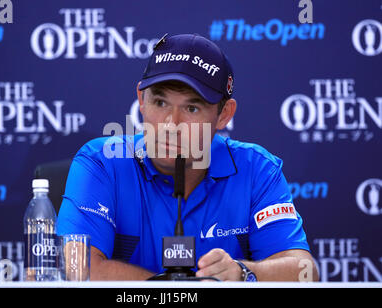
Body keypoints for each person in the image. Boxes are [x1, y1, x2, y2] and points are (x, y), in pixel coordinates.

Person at [56, 33, 319, 281]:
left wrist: (241, 272)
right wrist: (181, 292)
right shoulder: (102, 162)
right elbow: (77, 267)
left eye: (192, 108)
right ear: (141, 99)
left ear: (224, 113)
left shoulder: (257, 170)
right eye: (160, 103)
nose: (171, 124)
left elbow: (304, 270)